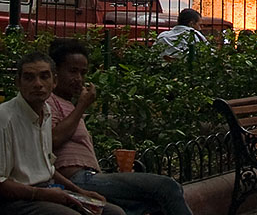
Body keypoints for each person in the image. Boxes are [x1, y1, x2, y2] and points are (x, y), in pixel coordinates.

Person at [48, 40, 194, 215]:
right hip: (75, 180)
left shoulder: (69, 104)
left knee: (153, 203)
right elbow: (53, 139)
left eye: (83, 73)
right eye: (72, 71)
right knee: (167, 186)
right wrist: (82, 106)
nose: (78, 79)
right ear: (55, 72)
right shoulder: (50, 101)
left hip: (92, 177)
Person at [0, 50, 120, 215]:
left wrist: (80, 192)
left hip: (46, 190)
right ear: (18, 83)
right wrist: (42, 194)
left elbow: (47, 169)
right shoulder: (5, 118)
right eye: (29, 78)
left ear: (54, 81)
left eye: (44, 77)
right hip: (14, 200)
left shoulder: (46, 112)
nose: (38, 84)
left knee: (112, 212)